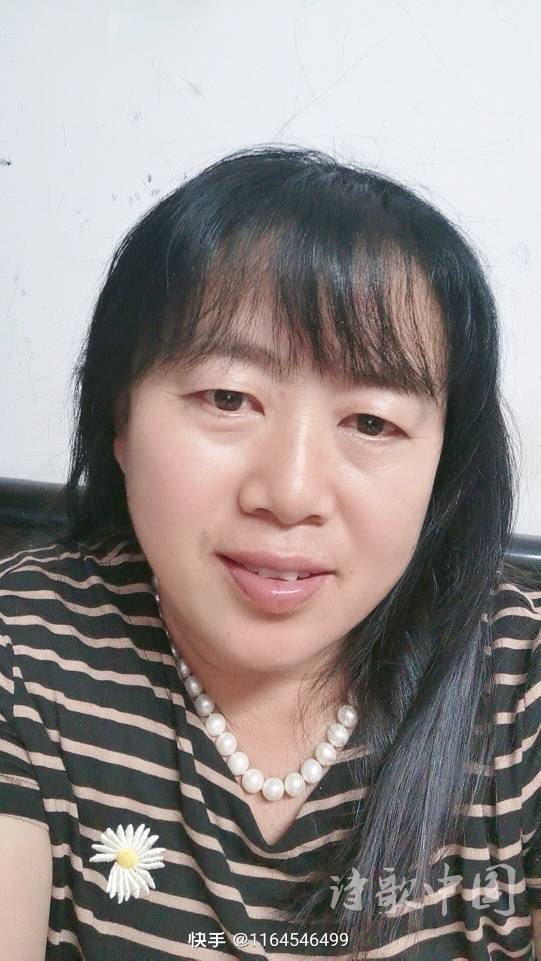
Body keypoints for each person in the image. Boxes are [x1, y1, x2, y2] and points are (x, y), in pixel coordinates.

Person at [0, 144, 539, 961]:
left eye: (371, 422)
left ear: (443, 464)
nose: (289, 492)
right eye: (227, 397)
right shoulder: (25, 647)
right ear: (121, 420)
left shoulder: (517, 673)